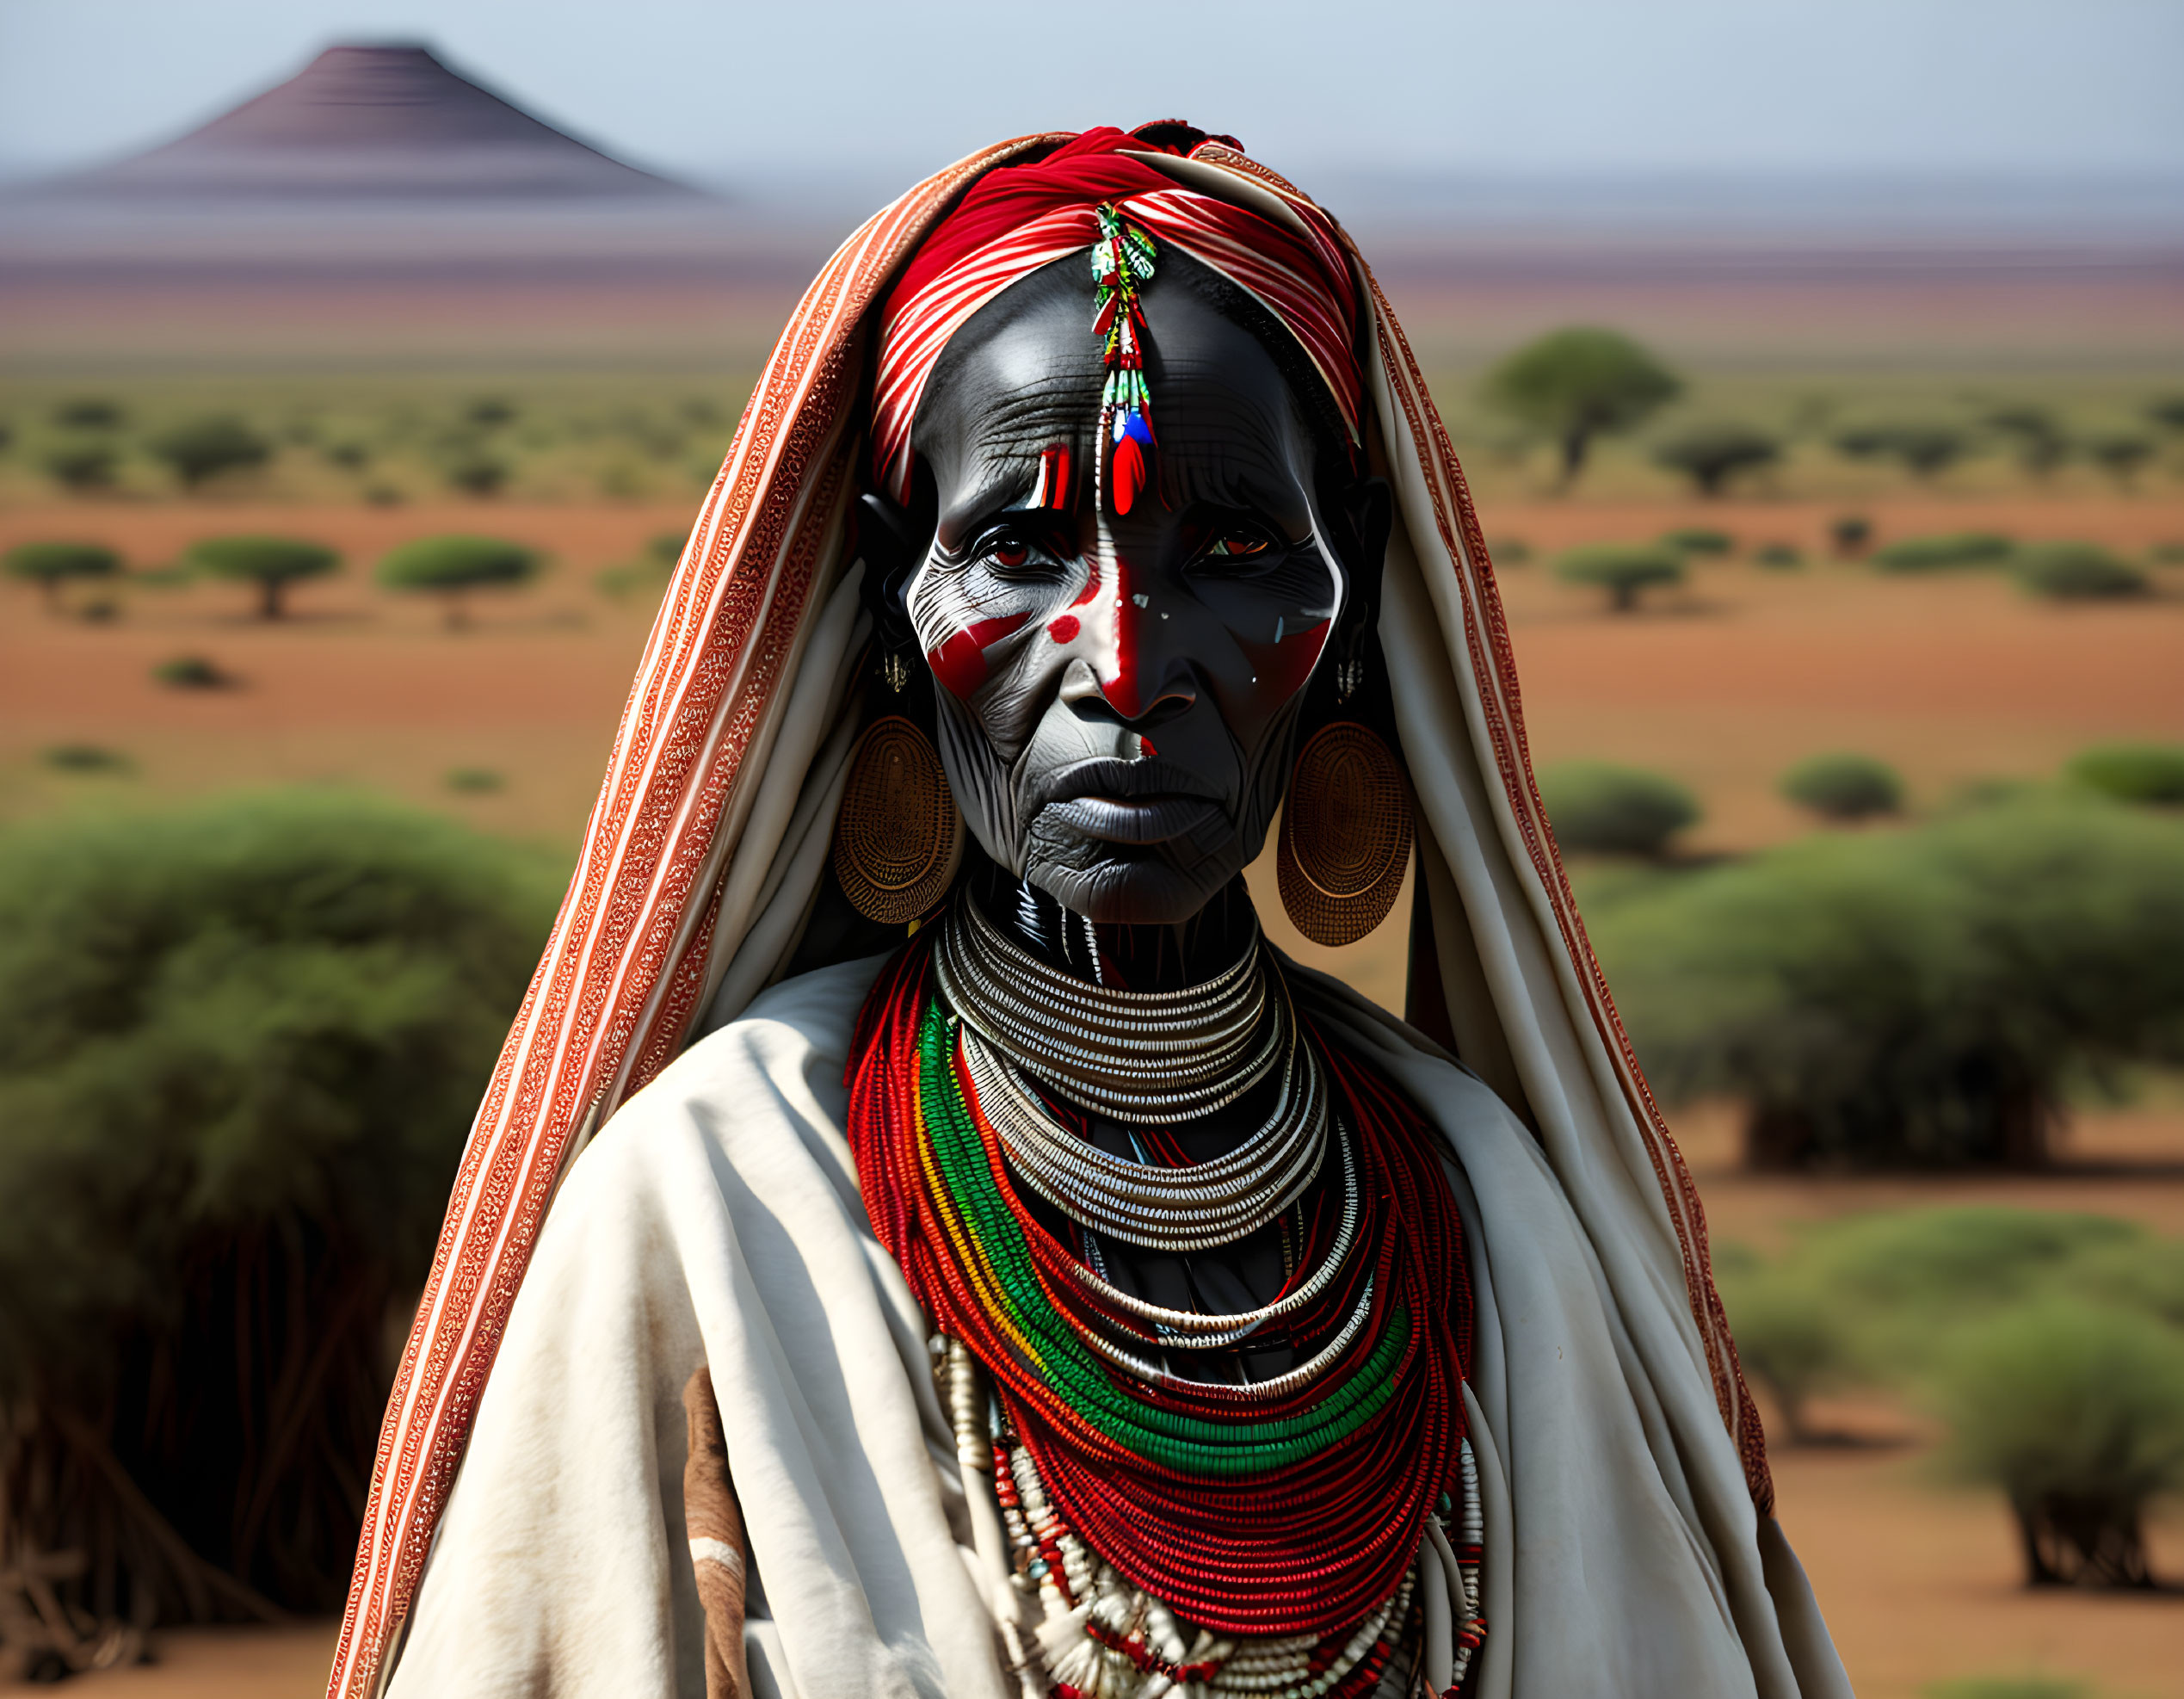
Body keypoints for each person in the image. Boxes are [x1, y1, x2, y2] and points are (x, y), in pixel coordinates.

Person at [328, 126, 1849, 1699]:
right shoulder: (716, 1195)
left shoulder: (1477, 1206)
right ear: (890, 609)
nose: (1127, 660)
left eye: (1239, 549)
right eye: (1019, 544)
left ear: (1350, 614)